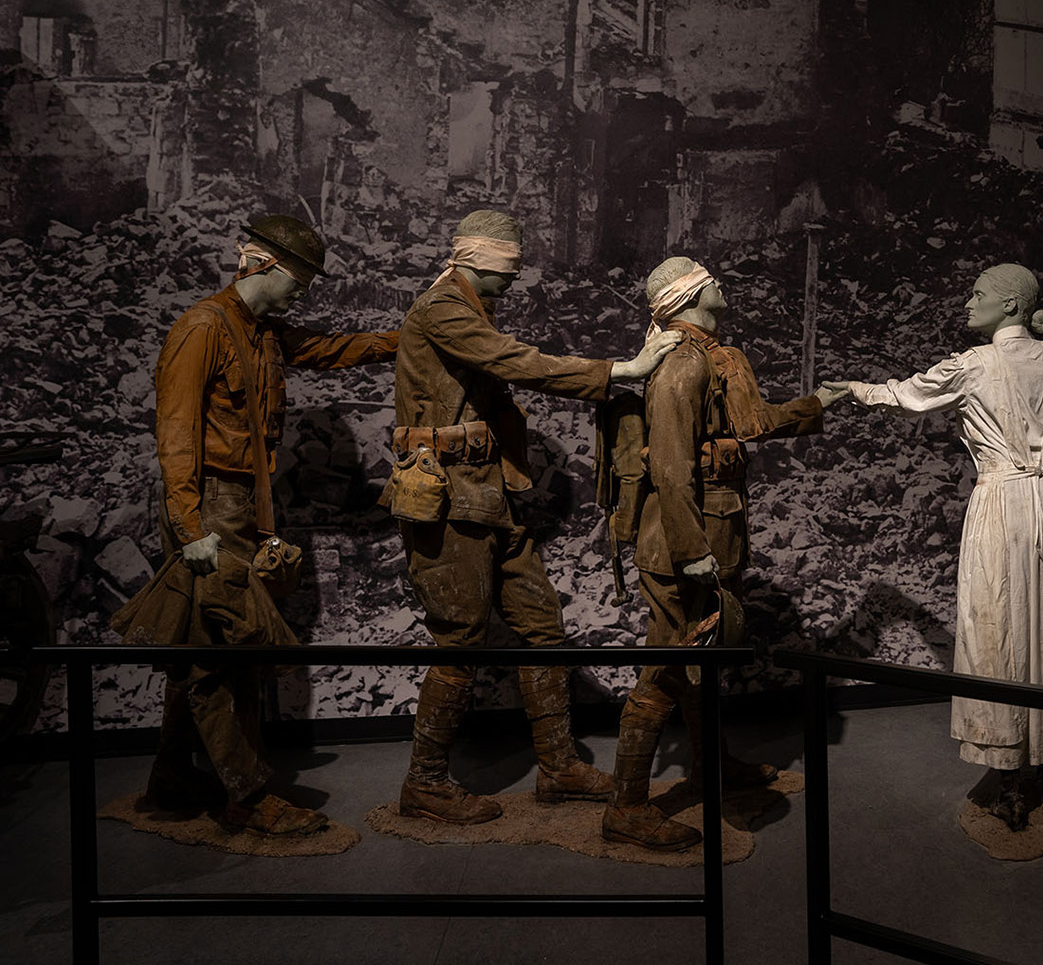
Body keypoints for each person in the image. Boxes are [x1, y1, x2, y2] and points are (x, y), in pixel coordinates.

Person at [387, 209, 682, 825]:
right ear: (474, 261)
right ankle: (426, 782)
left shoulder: (466, 308)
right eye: (508, 271)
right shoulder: (445, 309)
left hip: (487, 496)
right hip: (446, 498)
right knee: (460, 637)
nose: (515, 283)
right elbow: (515, 362)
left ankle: (558, 767)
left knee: (540, 623)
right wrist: (620, 371)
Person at [126, 213, 398, 837]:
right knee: (229, 653)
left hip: (240, 506)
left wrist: (404, 338)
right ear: (266, 265)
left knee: (204, 644)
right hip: (211, 511)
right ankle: (248, 799)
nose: (306, 289)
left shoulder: (262, 332)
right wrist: (191, 526)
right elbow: (176, 435)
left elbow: (329, 349)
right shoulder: (203, 328)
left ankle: (171, 778)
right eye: (301, 277)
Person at [823, 263, 1043, 831]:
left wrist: (851, 389)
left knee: (999, 630)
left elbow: (906, 395)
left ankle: (1012, 777)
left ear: (1012, 305)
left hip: (1004, 506)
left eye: (979, 295)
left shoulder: (974, 366)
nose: (968, 303)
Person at [602, 256, 837, 851]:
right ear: (693, 294)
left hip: (712, 532)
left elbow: (747, 424)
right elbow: (673, 467)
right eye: (712, 279)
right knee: (665, 671)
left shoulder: (708, 355)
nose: (722, 284)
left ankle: (714, 768)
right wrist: (690, 549)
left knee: (699, 661)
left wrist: (817, 405)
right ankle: (626, 807)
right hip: (687, 542)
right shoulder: (684, 363)